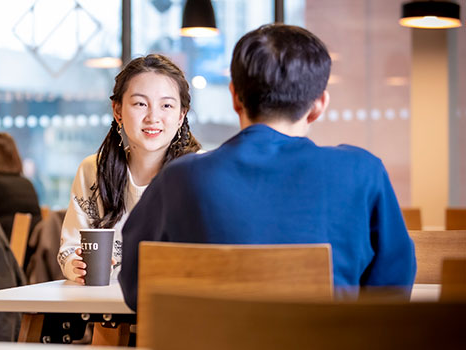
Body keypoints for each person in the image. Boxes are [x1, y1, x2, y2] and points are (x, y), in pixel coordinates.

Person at [118, 24, 416, 310]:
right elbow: (391, 292)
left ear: (235, 97)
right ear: (319, 105)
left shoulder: (180, 178)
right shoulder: (363, 172)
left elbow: (136, 289)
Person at [58, 54, 202, 284]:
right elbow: (70, 247)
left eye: (166, 105)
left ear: (181, 115)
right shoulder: (93, 171)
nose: (153, 117)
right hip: (104, 310)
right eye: (140, 104)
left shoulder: (200, 173)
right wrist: (76, 266)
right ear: (118, 111)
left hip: (177, 305)